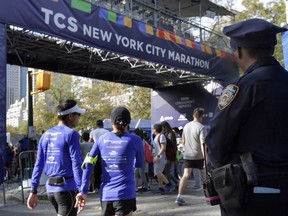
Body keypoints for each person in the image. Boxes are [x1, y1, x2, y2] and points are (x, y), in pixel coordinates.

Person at [205, 18, 288, 216]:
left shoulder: (242, 87)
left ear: (239, 51)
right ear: (272, 49)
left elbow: (216, 144)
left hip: (253, 194)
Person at [75, 107, 144, 216]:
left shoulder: (101, 139)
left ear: (110, 121)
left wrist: (83, 191)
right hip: (125, 194)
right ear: (129, 122)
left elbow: (88, 164)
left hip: (106, 195)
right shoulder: (136, 140)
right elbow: (140, 163)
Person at [27, 99, 85, 216]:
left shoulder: (46, 135)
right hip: (67, 189)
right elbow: (76, 162)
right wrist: (81, 190)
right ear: (70, 116)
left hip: (51, 190)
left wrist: (33, 190)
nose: (79, 117)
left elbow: (38, 163)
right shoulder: (71, 134)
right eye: (77, 114)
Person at [175, 108, 206, 206]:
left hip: (188, 155)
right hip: (199, 155)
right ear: (201, 117)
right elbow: (203, 143)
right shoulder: (201, 127)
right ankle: (211, 195)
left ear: (193, 115)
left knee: (185, 175)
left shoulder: (186, 126)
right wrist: (205, 158)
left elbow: (183, 141)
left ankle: (179, 196)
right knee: (205, 175)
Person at [152, 123, 173, 195]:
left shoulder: (161, 136)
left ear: (155, 129)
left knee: (158, 172)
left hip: (160, 158)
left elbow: (163, 148)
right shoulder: (157, 137)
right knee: (158, 173)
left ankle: (168, 184)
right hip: (158, 157)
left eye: (153, 128)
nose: (152, 130)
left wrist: (157, 156)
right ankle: (161, 187)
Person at [161, 121, 179, 188]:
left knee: (170, 173)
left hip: (170, 155)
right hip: (170, 155)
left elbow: (170, 147)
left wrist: (169, 157)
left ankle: (176, 183)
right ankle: (174, 184)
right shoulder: (167, 134)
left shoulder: (170, 134)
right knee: (168, 172)